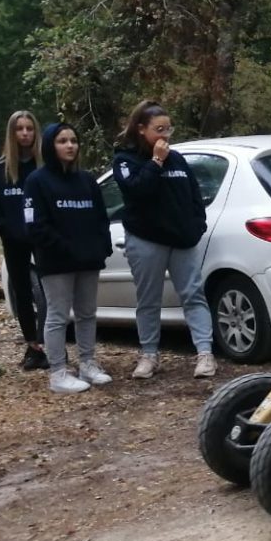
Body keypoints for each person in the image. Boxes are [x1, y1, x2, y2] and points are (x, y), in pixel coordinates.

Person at [111, 100, 215, 379]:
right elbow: (136, 190)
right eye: (159, 129)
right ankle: (149, 355)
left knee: (193, 294)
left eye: (168, 129)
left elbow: (194, 196)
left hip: (181, 240)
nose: (165, 135)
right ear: (141, 129)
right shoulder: (125, 160)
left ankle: (205, 353)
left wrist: (197, 226)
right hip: (146, 239)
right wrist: (156, 161)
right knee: (149, 299)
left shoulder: (178, 159)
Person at [25, 123, 114, 393]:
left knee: (87, 313)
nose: (70, 145)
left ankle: (87, 363)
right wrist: (65, 247)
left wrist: (102, 246)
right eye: (62, 141)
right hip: (56, 262)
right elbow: (35, 225)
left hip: (88, 260)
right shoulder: (37, 181)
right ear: (50, 145)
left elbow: (101, 218)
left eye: (73, 140)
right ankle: (58, 372)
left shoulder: (87, 180)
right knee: (58, 316)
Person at [0, 110, 50, 371]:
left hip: (44, 239)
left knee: (50, 292)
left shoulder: (45, 166)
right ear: (12, 133)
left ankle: (52, 343)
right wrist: (6, 229)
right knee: (23, 293)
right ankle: (33, 347)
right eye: (19, 129)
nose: (25, 133)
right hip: (14, 240)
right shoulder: (1, 169)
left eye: (29, 128)